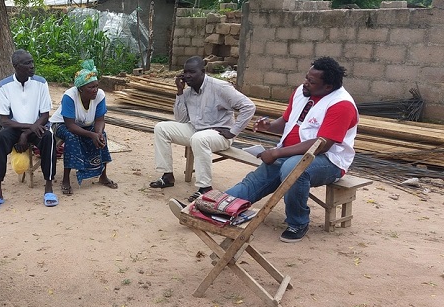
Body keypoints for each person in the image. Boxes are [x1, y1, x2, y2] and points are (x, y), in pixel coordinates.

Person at [225, 57, 358, 243]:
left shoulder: (341, 105)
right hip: (290, 153)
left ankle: (298, 222)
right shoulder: (301, 93)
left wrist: (276, 153)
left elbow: (322, 145)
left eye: (311, 82)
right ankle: (217, 205)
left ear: (327, 87)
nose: (305, 83)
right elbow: (288, 122)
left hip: (329, 160)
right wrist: (269, 126)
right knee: (255, 181)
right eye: (306, 78)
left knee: (293, 168)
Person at [149, 56, 256, 202]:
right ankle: (167, 176)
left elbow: (249, 106)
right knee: (161, 128)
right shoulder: (187, 91)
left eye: (192, 72)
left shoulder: (220, 87)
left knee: (199, 139)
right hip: (196, 130)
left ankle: (205, 188)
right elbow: (181, 120)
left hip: (219, 135)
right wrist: (179, 92)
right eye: (185, 72)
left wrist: (233, 131)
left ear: (203, 72)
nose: (187, 76)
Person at [0, 49, 58, 209]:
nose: (32, 66)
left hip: (38, 125)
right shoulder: (3, 86)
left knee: (48, 139)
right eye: (27, 63)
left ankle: (49, 187)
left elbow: (45, 115)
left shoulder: (41, 83)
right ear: (16, 66)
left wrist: (27, 133)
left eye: (32, 62)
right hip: (15, 127)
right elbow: (4, 120)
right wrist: (26, 129)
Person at [50, 59, 117, 196]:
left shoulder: (100, 95)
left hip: (86, 125)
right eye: (90, 87)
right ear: (80, 89)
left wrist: (97, 134)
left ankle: (103, 176)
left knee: (102, 136)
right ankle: (66, 179)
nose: (95, 90)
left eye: (96, 86)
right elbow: (70, 125)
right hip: (61, 125)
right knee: (71, 137)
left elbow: (100, 120)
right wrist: (91, 135)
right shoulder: (70, 96)